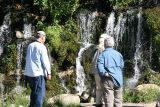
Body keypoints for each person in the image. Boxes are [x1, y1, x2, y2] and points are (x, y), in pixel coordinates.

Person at [24, 31, 51, 107]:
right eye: (45, 37)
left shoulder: (30, 45)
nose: (45, 39)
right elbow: (45, 61)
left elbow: (28, 59)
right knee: (39, 95)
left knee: (33, 93)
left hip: (29, 74)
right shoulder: (42, 47)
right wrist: (49, 73)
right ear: (42, 37)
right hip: (38, 74)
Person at [97, 35, 124, 107]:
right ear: (113, 45)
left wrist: (105, 74)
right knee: (118, 101)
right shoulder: (119, 54)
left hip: (108, 79)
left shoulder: (102, 55)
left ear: (105, 45)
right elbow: (122, 66)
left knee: (109, 101)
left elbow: (99, 67)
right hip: (118, 79)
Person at [92, 33, 110, 106]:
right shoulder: (103, 49)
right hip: (101, 70)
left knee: (98, 87)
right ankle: (106, 103)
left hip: (95, 70)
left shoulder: (96, 48)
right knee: (105, 87)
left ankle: (98, 102)